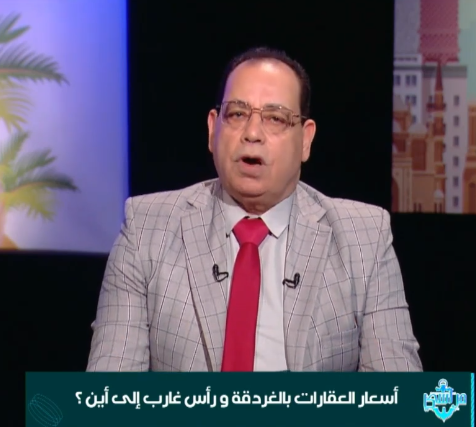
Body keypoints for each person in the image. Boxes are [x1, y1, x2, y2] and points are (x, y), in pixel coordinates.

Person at [87, 47, 422, 372]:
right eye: (237, 114)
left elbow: (398, 393)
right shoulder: (147, 229)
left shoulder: (364, 238)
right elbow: (109, 391)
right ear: (213, 129)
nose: (252, 133)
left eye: (275, 118)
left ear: (306, 140)